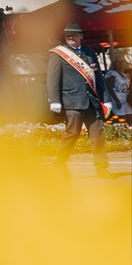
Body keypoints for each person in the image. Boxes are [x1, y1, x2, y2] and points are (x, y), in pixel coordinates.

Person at [47, 22, 110, 176]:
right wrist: (54, 100)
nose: (70, 37)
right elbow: (52, 79)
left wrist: (106, 99)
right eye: (68, 35)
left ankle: (102, 169)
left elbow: (99, 78)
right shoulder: (58, 54)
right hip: (72, 102)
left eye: (74, 34)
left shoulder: (89, 52)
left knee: (98, 136)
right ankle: (59, 164)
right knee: (72, 135)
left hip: (92, 102)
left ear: (81, 36)